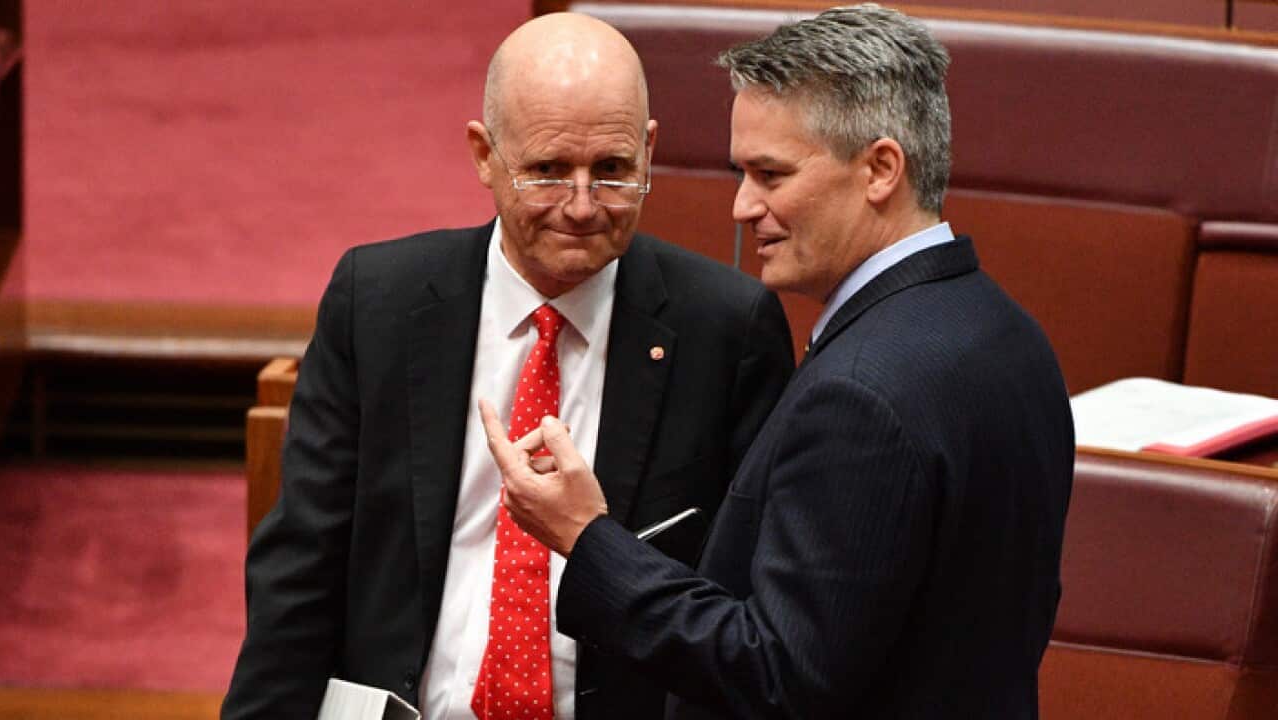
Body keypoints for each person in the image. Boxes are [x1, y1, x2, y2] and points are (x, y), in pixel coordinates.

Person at [484, 5, 1074, 718]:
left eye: (770, 174)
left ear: (881, 169)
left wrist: (587, 537)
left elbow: (776, 675)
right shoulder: (1009, 335)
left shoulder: (862, 395)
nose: (742, 206)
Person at [221, 12, 794, 720]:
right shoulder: (379, 303)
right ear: (485, 155)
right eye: (548, 172)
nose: (582, 207)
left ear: (649, 152)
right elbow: (298, 577)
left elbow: (747, 611)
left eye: (612, 171)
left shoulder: (726, 331)